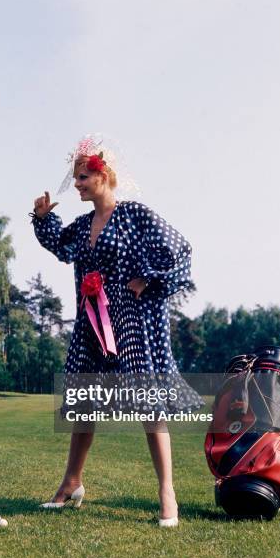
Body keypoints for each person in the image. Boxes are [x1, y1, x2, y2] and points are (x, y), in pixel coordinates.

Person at [31, 136, 199, 527]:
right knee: (85, 401)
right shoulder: (85, 224)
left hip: (132, 325)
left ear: (102, 175)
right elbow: (61, 245)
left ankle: (167, 493)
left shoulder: (134, 215)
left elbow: (181, 251)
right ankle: (71, 482)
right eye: (75, 178)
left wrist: (148, 279)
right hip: (92, 324)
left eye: (83, 176)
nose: (77, 184)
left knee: (148, 405)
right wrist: (42, 217)